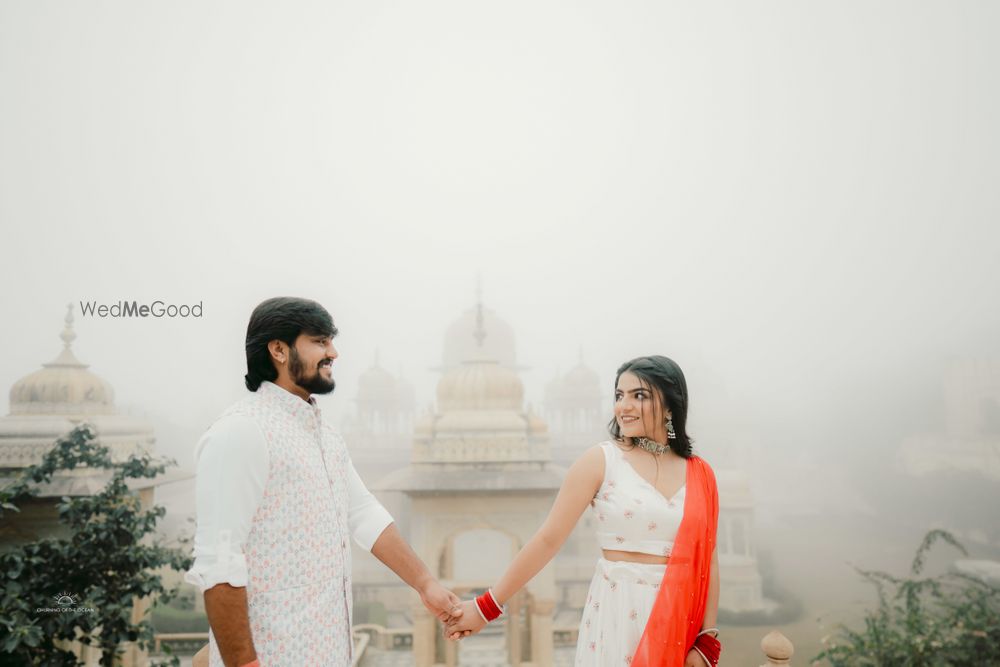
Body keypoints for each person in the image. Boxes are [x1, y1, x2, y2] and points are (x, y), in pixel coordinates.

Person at [185, 297, 462, 667]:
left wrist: (426, 584)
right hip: (272, 656)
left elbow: (363, 514)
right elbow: (219, 561)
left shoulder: (325, 436)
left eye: (330, 341)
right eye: (319, 341)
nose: (333, 353)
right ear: (279, 350)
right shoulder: (241, 432)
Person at [445, 355, 721, 666]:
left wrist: (707, 639)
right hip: (618, 613)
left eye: (639, 395)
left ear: (671, 405)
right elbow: (548, 540)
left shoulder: (700, 474)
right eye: (619, 395)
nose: (624, 406)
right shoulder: (602, 461)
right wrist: (486, 607)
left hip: (680, 616)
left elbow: (707, 558)